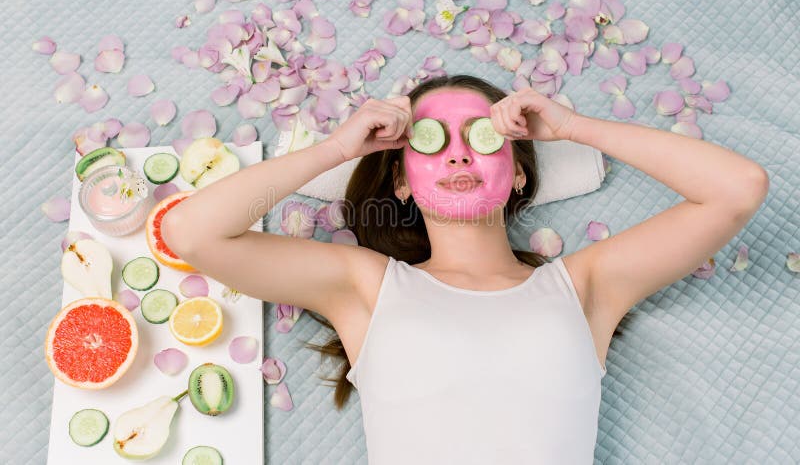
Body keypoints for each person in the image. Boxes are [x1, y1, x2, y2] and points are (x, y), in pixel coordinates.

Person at [161, 74, 768, 464]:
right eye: (430, 138)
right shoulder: (365, 289)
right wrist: (338, 149)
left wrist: (573, 127)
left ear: (521, 172)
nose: (456, 151)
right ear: (399, 180)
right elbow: (193, 232)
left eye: (481, 137)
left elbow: (738, 188)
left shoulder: (585, 287)